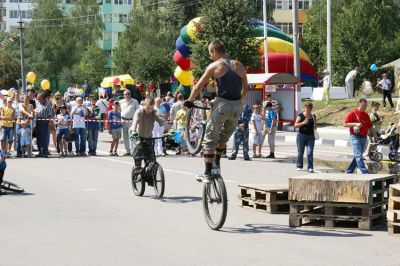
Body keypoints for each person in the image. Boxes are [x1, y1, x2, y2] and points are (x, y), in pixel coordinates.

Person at [185, 40, 248, 181]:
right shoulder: (239, 65)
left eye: (210, 53)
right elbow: (245, 89)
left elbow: (198, 86)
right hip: (237, 106)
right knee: (223, 137)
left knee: (209, 139)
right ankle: (217, 164)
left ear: (214, 51)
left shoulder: (214, 66)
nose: (210, 56)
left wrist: (189, 100)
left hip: (222, 105)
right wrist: (238, 102)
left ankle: (207, 172)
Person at [344, 98, 378, 174]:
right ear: (359, 104)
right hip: (355, 136)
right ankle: (365, 172)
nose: (365, 107)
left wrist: (375, 135)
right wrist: (355, 124)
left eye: (366, 105)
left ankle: (348, 172)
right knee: (359, 156)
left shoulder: (366, 114)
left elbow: (370, 126)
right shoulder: (353, 112)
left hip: (364, 137)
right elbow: (345, 124)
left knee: (357, 156)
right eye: (364, 105)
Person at [131, 97, 166, 167]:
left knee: (151, 158)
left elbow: (161, 122)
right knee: (138, 157)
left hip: (149, 138)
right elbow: (135, 122)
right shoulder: (139, 112)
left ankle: (150, 173)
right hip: (138, 137)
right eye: (147, 108)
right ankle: (138, 172)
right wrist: (133, 131)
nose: (149, 110)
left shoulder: (153, 113)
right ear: (144, 105)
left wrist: (170, 130)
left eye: (152, 108)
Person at [294, 102, 317, 173]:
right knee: (300, 152)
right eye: (306, 107)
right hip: (301, 136)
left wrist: (315, 127)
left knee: (310, 152)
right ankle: (299, 165)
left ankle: (310, 167)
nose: (308, 109)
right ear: (304, 108)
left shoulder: (313, 116)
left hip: (311, 136)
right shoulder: (301, 115)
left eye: (309, 108)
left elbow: (314, 125)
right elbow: (295, 125)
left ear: (311, 108)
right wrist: (303, 123)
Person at [119, 90, 139, 156]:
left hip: (132, 121)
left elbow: (138, 111)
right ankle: (127, 151)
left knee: (132, 136)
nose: (127, 95)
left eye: (128, 94)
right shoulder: (121, 102)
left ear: (130, 94)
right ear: (124, 95)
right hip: (123, 121)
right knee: (125, 137)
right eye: (125, 94)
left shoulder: (134, 101)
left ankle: (133, 151)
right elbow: (118, 110)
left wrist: (137, 121)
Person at [35, 93, 54, 158]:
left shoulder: (47, 105)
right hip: (38, 121)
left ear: (43, 98)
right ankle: (40, 152)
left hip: (45, 122)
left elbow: (51, 115)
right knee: (38, 137)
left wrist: (50, 123)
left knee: (44, 137)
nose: (38, 100)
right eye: (37, 98)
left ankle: (44, 152)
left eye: (39, 98)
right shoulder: (38, 104)